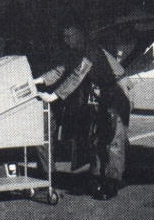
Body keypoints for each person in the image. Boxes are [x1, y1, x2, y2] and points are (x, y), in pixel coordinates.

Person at [34, 25, 133, 200]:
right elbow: (62, 69)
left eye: (70, 36)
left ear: (80, 34)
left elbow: (77, 76)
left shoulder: (91, 52)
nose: (66, 40)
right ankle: (97, 177)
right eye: (64, 36)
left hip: (117, 94)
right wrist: (36, 80)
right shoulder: (78, 51)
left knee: (114, 141)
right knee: (97, 138)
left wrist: (54, 96)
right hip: (103, 95)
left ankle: (112, 183)